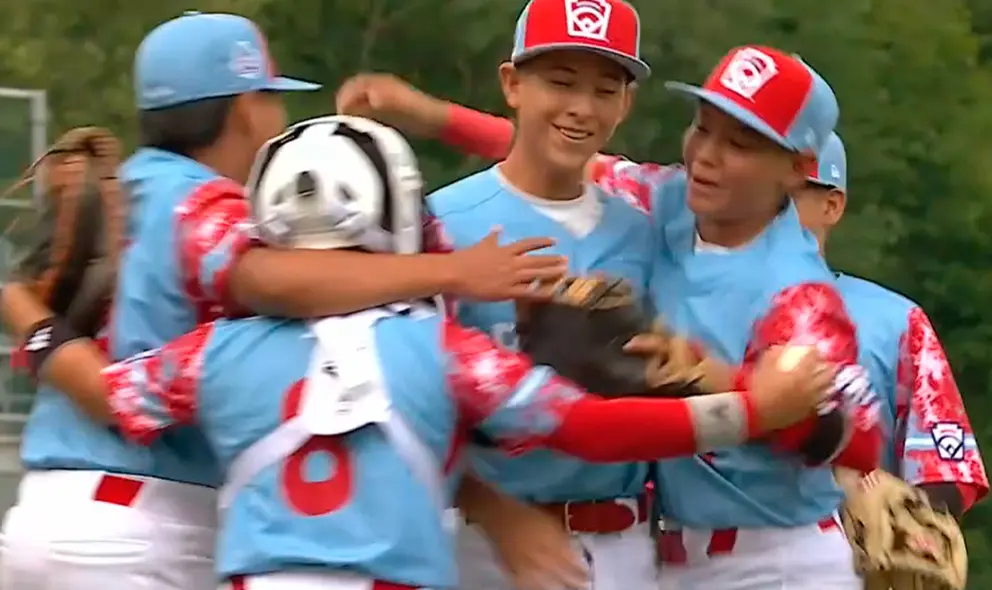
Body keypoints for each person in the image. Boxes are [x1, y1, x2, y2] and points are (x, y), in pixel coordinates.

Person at [18, 114, 837, 590]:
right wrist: (747, 412)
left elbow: (107, 391)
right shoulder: (445, 350)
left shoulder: (216, 351)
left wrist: (25, 313)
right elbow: (590, 427)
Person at [0, 12, 564, 590]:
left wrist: (24, 314)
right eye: (272, 98)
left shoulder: (124, 186)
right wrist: (454, 272)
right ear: (248, 109)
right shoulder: (202, 202)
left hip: (46, 513)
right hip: (144, 526)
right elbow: (271, 279)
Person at [342, 47, 884, 589]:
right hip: (670, 556)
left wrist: (722, 381)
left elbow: (859, 440)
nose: (706, 155)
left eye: (739, 144)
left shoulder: (799, 294)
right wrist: (430, 116)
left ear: (799, 168)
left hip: (773, 560)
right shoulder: (673, 200)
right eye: (703, 128)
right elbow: (563, 149)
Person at [422, 1, 670, 589]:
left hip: (624, 542)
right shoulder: (441, 222)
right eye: (560, 82)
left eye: (605, 90)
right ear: (512, 84)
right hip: (486, 543)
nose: (581, 107)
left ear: (626, 104)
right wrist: (491, 510)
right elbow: (405, 402)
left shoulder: (644, 233)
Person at [792, 132, 990, 514]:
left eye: (789, 194)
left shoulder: (896, 322)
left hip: (845, 547)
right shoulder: (694, 309)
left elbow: (944, 476)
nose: (766, 208)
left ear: (832, 205)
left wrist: (905, 525)